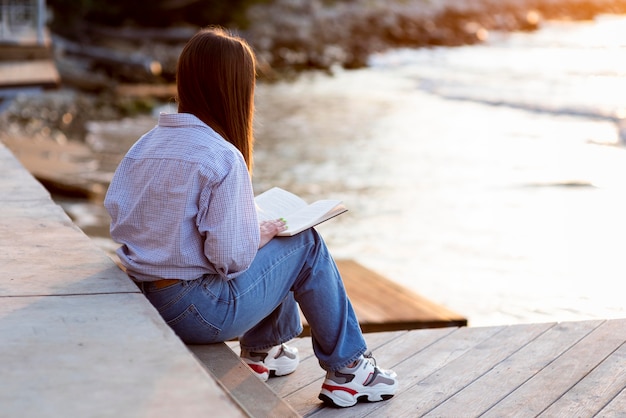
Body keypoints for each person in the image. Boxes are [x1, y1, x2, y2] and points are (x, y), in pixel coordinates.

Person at [104, 27, 397, 408]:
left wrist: (248, 233)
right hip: (195, 313)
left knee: (270, 236)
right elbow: (231, 260)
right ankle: (350, 370)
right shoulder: (222, 156)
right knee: (303, 242)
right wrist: (254, 236)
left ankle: (264, 353)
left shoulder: (145, 144)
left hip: (145, 298)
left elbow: (120, 215)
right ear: (236, 89)